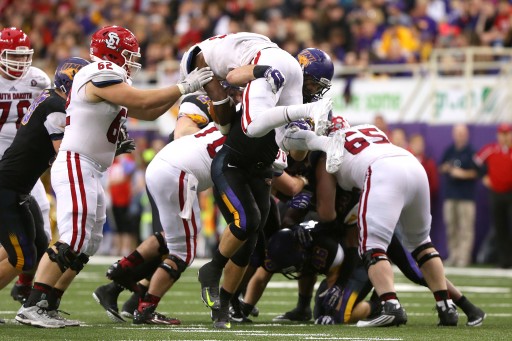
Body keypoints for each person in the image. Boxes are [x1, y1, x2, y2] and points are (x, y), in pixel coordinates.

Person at [15, 25, 213, 329]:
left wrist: (183, 89)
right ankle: (33, 304)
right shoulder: (100, 70)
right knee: (74, 237)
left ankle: (49, 302)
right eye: (129, 54)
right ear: (112, 51)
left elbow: (147, 113)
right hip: (76, 162)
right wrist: (183, 86)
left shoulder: (110, 75)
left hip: (91, 166)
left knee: (88, 243)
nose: (133, 60)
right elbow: (144, 103)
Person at [186, 38, 337, 329]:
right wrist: (299, 111)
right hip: (233, 163)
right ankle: (211, 269)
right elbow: (254, 124)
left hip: (261, 170)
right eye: (316, 83)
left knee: (250, 241)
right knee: (246, 221)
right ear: (302, 74)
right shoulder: (272, 81)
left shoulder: (293, 98)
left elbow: (297, 153)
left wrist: (319, 138)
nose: (317, 90)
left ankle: (224, 308)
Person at [287, 122, 459, 327]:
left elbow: (327, 213)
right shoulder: (368, 129)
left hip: (381, 170)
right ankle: (446, 307)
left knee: (372, 247)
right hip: (411, 163)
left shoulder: (323, 151)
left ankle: (390, 305)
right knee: (422, 244)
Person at [0, 57, 89, 326]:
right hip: (7, 189)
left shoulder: (50, 96)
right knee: (21, 258)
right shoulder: (56, 107)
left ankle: (35, 306)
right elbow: (62, 153)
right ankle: (33, 308)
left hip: (19, 189)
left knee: (38, 248)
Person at [0, 27, 53, 304]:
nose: (19, 63)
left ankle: (24, 283)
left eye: (24, 57)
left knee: (41, 219)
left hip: (22, 156)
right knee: (13, 230)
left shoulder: (38, 80)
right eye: (12, 56)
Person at [439, 124, 479, 267]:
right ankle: (453, 255)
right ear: (453, 134)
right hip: (450, 195)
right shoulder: (450, 150)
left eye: (462, 133)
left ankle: (464, 256)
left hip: (466, 196)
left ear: (466, 134)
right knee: (451, 226)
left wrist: (462, 174)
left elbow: (477, 172)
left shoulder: (471, 152)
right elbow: (441, 166)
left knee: (465, 228)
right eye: (458, 133)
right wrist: (447, 168)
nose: (460, 135)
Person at [474, 123, 512, 269]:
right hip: (496, 193)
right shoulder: (491, 149)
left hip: (510, 193)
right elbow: (475, 163)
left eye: (507, 134)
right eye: (502, 134)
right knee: (500, 227)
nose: (504, 137)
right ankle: (504, 261)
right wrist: (484, 177)